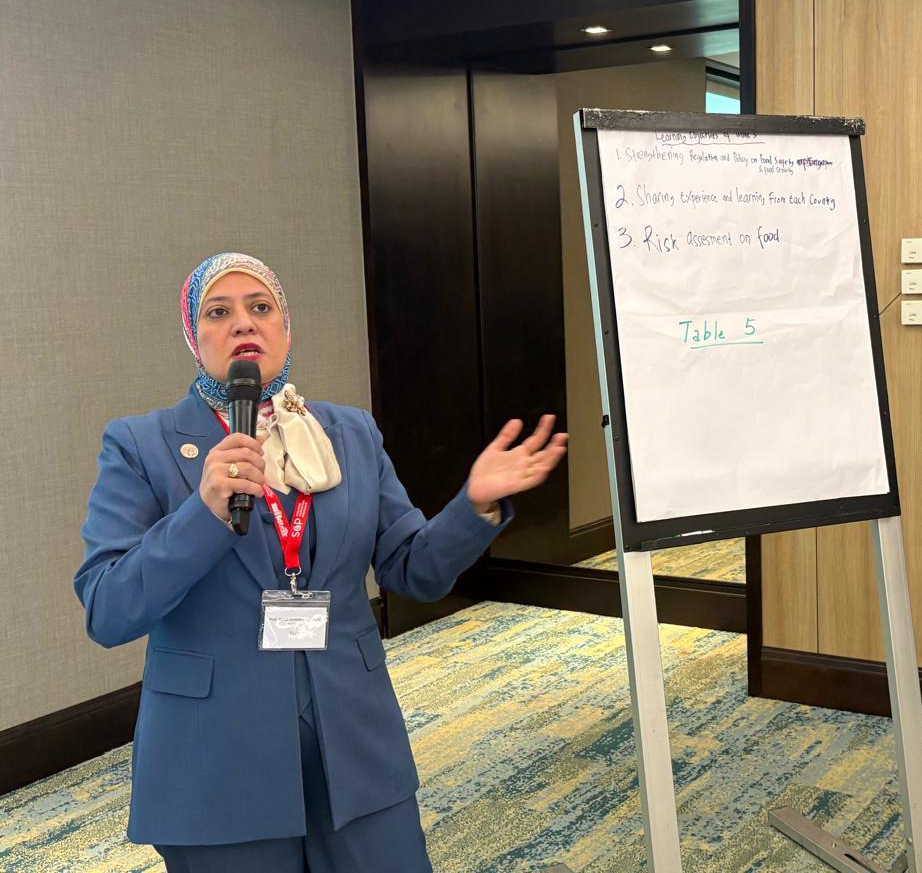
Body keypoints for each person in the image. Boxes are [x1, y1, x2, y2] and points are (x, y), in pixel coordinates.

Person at [75, 252, 567, 872]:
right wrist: (203, 514)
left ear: (286, 329)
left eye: (261, 307)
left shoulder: (350, 433)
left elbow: (412, 569)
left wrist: (474, 505)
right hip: (218, 761)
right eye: (218, 312)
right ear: (193, 339)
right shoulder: (141, 445)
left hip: (354, 746)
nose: (243, 322)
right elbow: (109, 608)